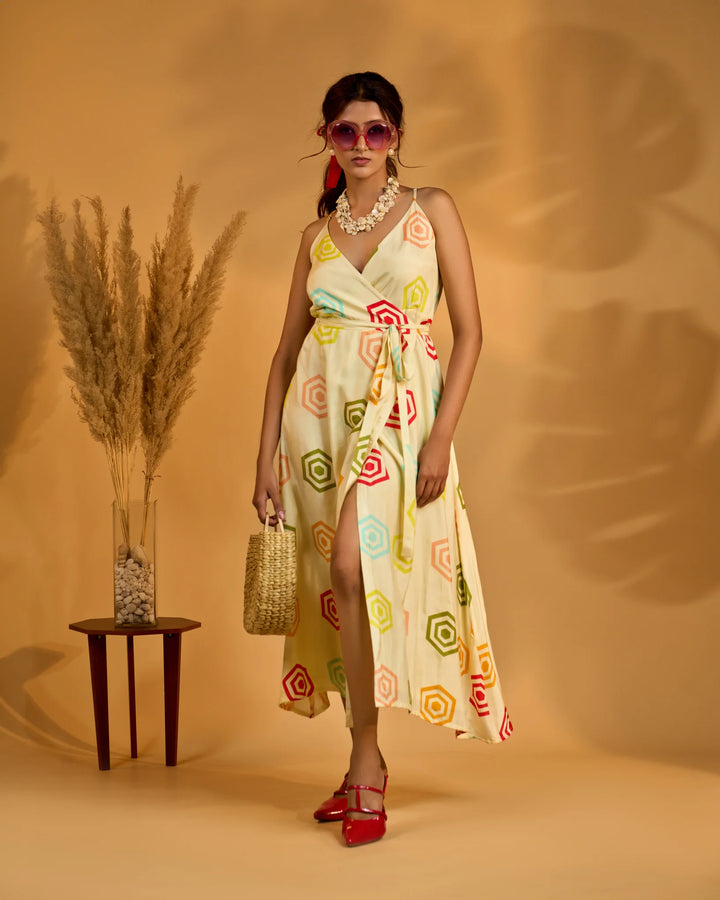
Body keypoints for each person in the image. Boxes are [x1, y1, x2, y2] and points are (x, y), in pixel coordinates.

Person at [253, 71, 513, 847]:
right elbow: (283, 354)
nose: (362, 143)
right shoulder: (315, 237)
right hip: (317, 428)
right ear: (326, 139)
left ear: (397, 135)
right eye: (346, 130)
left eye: (377, 129)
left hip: (401, 418)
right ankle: (359, 755)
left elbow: (470, 332)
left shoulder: (433, 211)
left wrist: (442, 435)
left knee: (351, 566)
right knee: (337, 587)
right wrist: (263, 459)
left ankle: (367, 760)